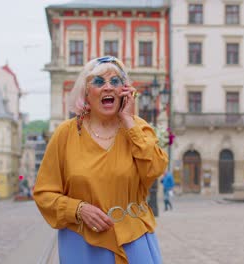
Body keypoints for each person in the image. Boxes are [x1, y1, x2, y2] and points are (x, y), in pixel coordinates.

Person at [33, 56, 168, 264]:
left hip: (134, 240)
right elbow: (44, 193)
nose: (108, 87)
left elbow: (155, 168)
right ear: (86, 92)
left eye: (115, 82)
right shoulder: (65, 134)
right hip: (83, 244)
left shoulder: (137, 128)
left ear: (124, 90)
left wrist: (129, 122)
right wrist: (77, 209)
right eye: (98, 82)